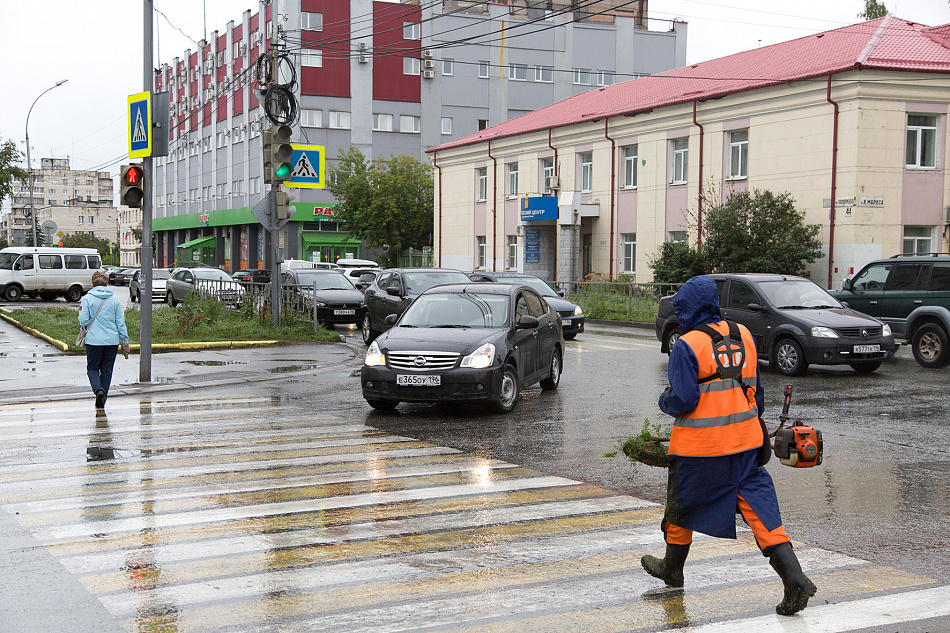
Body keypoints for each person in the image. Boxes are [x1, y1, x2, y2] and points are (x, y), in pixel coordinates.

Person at [643, 275, 816, 616]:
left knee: (682, 506)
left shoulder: (688, 344)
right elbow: (758, 392)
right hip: (748, 444)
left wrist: (665, 401)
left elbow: (684, 399)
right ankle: (794, 577)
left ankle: (672, 568)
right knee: (760, 512)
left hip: (701, 448)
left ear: (687, 308)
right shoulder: (744, 335)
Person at [78, 271, 130, 409]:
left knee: (93, 368)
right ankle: (103, 399)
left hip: (93, 341)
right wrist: (124, 342)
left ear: (93, 283)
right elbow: (121, 323)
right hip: (111, 342)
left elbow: (83, 320)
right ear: (107, 283)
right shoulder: (114, 299)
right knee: (107, 370)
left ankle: (98, 390)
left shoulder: (87, 299)